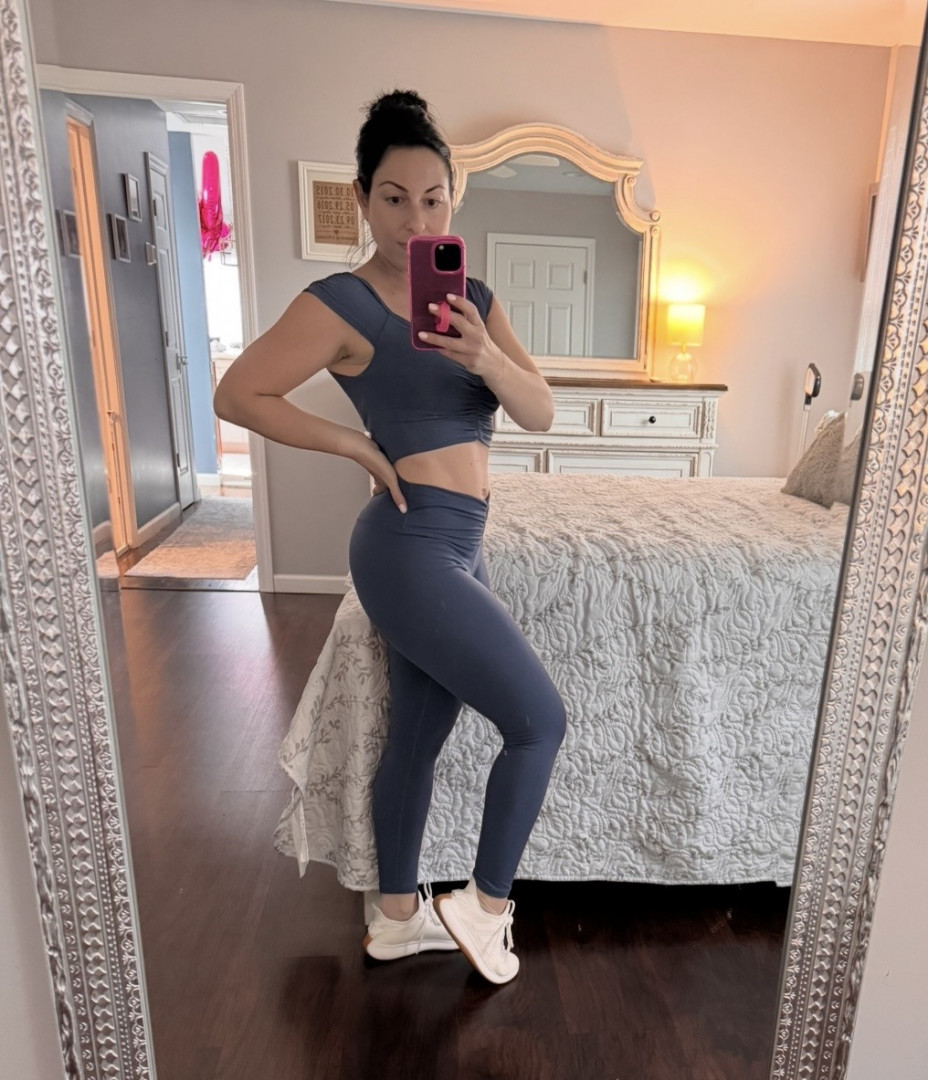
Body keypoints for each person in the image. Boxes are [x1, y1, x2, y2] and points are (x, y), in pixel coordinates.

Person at [214, 90, 567, 985]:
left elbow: (540, 411)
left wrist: (485, 356)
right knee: (539, 721)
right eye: (395, 198)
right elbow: (238, 393)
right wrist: (358, 447)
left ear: (455, 198)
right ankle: (487, 909)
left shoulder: (472, 299)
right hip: (407, 546)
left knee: (418, 730)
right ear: (363, 200)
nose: (417, 219)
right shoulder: (341, 303)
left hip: (463, 540)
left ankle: (398, 917)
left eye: (434, 199)